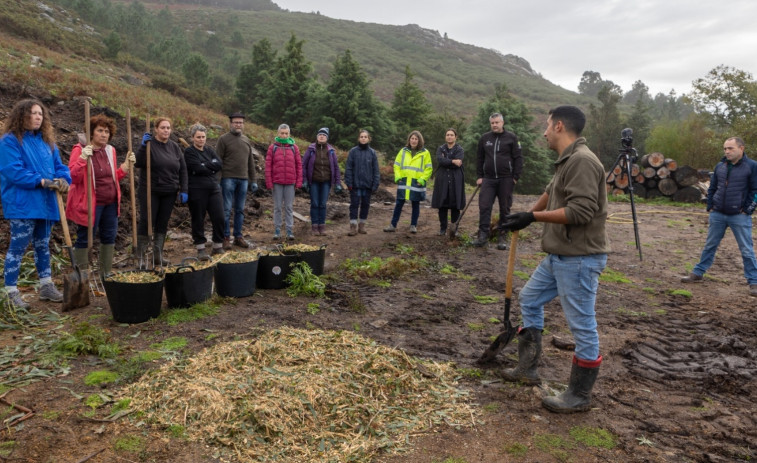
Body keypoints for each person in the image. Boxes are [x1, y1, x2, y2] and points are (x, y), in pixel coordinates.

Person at [499, 105, 608, 414]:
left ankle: (578, 395)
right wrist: (524, 216)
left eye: (547, 126)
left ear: (559, 126)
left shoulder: (583, 162)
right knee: (530, 297)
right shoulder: (567, 160)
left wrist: (532, 216)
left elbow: (581, 212)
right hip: (559, 255)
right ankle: (528, 369)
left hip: (580, 258)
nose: (544, 132)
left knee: (582, 325)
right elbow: (550, 192)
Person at [0, 99, 71, 308]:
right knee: (18, 246)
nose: (38, 117)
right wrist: (40, 181)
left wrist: (64, 179)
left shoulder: (47, 142)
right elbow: (13, 170)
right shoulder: (10, 141)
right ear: (22, 115)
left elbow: (60, 166)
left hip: (46, 203)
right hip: (23, 203)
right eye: (33, 113)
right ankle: (11, 292)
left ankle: (46, 286)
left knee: (43, 245)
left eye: (40, 113)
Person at [681, 137, 757, 296]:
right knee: (710, 245)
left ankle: (754, 281)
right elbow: (713, 187)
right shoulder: (720, 166)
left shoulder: (752, 166)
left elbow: (755, 190)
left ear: (741, 148)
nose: (727, 151)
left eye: (731, 148)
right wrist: (710, 205)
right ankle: (698, 273)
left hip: (739, 215)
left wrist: (748, 210)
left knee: (746, 249)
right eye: (725, 149)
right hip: (718, 214)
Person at [66, 114, 134, 280]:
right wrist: (83, 158)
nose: (104, 134)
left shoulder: (110, 150)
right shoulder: (80, 150)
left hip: (111, 202)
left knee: (109, 236)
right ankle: (81, 274)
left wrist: (125, 167)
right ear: (91, 133)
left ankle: (106, 273)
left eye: (107, 131)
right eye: (100, 131)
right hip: (90, 203)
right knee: (85, 237)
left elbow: (112, 177)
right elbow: (72, 177)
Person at [135, 117, 187, 267]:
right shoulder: (150, 144)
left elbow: (183, 169)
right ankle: (141, 257)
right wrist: (143, 146)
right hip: (150, 190)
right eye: (163, 127)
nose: (166, 130)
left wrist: (184, 189)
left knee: (162, 223)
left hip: (169, 191)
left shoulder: (174, 147)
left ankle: (158, 255)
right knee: (147, 221)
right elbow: (138, 162)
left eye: (168, 128)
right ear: (156, 129)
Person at [472, 112, 523, 250]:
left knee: (504, 208)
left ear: (502, 123)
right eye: (492, 123)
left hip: (506, 178)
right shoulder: (485, 138)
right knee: (484, 206)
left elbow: (518, 158)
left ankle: (502, 236)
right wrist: (479, 176)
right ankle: (483, 236)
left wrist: (515, 177)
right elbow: (479, 158)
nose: (494, 125)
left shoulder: (511, 138)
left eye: (497, 122)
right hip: (488, 178)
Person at [183, 123, 225, 261]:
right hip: (196, 189)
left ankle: (217, 246)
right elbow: (196, 168)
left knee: (219, 217)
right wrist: (208, 166)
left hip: (213, 188)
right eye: (198, 137)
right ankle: (200, 247)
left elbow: (219, 164)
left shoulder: (209, 150)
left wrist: (204, 165)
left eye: (203, 137)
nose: (201, 139)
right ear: (193, 138)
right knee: (198, 218)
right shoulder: (189, 152)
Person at [216, 112, 258, 250]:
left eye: (240, 122)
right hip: (227, 178)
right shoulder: (223, 140)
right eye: (236, 122)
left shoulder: (246, 140)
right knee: (226, 210)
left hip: (243, 179)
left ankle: (238, 237)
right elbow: (218, 161)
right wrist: (217, 179)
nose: (238, 125)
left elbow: (250, 162)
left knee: (240, 210)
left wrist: (253, 180)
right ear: (231, 124)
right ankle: (226, 237)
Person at [383, 131, 432, 234]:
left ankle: (413, 225)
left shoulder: (425, 152)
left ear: (419, 140)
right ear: (409, 140)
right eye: (412, 138)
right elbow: (396, 165)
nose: (413, 141)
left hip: (416, 182)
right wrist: (398, 177)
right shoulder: (403, 151)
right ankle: (393, 225)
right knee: (399, 203)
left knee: (415, 203)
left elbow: (428, 169)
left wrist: (422, 179)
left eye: (416, 139)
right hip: (404, 181)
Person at [265, 124, 302, 240]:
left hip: (290, 182)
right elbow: (268, 166)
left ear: (289, 134)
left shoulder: (294, 148)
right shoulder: (273, 148)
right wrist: (269, 182)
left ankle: (289, 230)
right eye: (282, 133)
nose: (284, 135)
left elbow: (299, 165)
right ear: (278, 133)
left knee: (289, 207)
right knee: (277, 207)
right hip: (277, 182)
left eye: (286, 133)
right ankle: (277, 230)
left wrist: (299, 181)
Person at [302, 127, 342, 236]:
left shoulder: (331, 151)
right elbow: (303, 165)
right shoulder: (311, 149)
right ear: (317, 137)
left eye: (324, 135)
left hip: (326, 182)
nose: (322, 136)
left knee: (323, 204)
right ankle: (314, 226)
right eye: (320, 134)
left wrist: (338, 182)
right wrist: (304, 180)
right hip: (313, 181)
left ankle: (322, 226)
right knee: (315, 203)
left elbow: (336, 167)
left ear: (327, 138)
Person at [431, 128, 466, 235]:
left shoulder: (459, 149)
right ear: (445, 137)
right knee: (442, 204)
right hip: (442, 179)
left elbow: (458, 163)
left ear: (456, 137)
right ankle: (442, 229)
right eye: (447, 135)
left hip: (456, 179)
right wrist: (452, 161)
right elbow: (440, 161)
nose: (449, 136)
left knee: (455, 205)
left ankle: (454, 229)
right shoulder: (441, 148)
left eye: (451, 135)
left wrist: (447, 161)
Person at [345, 130, 380, 236]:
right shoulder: (353, 152)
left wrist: (375, 184)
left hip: (367, 185)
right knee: (354, 205)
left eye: (365, 137)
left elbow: (376, 170)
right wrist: (349, 182)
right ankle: (353, 226)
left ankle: (362, 225)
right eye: (361, 136)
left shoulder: (372, 153)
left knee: (365, 205)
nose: (363, 138)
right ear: (358, 138)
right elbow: (348, 168)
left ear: (369, 139)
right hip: (355, 185)